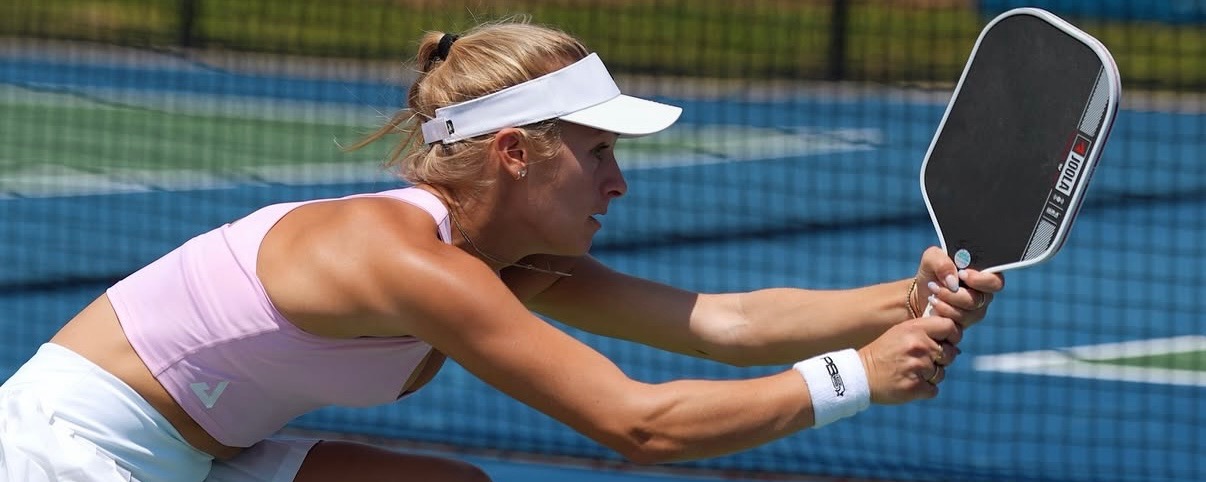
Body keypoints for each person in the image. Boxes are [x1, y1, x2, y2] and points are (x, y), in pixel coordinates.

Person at [0, 19, 1004, 482]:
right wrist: (855, 378)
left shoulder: (496, 256)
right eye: (599, 151)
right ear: (519, 153)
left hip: (199, 453)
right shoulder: (404, 258)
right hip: (59, 452)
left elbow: (722, 322)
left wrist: (903, 299)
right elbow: (639, 426)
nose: (619, 181)